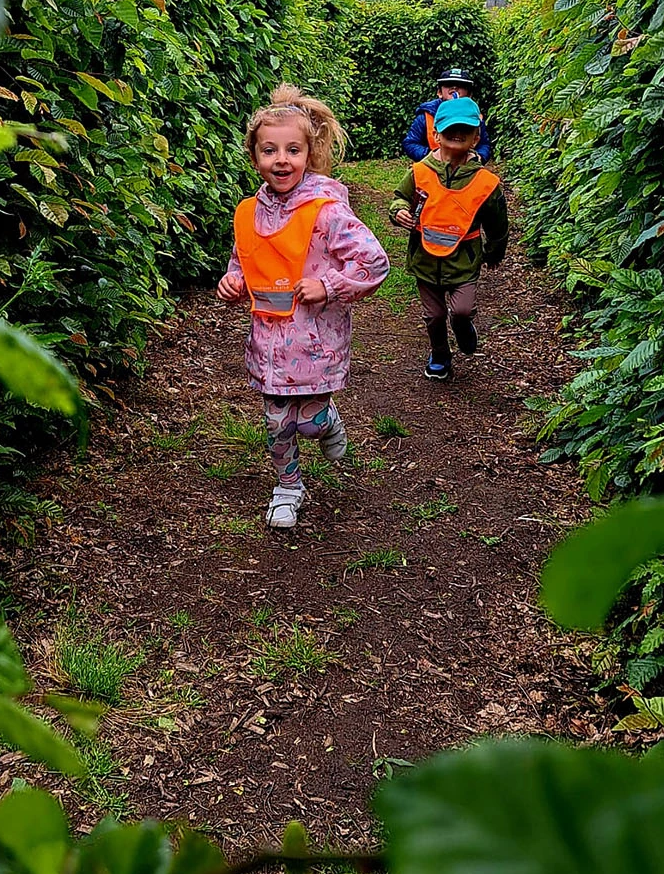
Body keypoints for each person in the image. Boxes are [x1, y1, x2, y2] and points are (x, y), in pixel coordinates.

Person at [217, 85, 390, 529]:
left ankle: (327, 423)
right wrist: (233, 281)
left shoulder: (327, 211)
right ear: (254, 155)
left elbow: (374, 262)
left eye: (292, 149)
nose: (281, 159)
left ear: (309, 153)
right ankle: (288, 486)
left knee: (308, 421)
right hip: (269, 344)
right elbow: (246, 259)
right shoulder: (249, 212)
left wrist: (329, 286)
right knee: (277, 422)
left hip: (315, 340)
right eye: (269, 149)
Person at [389, 95, 508, 382]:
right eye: (450, 129)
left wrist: (493, 252)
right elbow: (399, 199)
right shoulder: (419, 172)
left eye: (465, 130)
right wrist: (399, 212)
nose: (457, 134)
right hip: (424, 259)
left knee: (462, 310)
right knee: (434, 316)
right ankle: (440, 355)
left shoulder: (485, 183)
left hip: (464, 261)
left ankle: (464, 325)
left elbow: (498, 223)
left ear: (476, 136)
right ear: (436, 134)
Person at [402, 65, 491, 162]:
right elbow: (410, 143)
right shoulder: (427, 114)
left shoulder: (474, 116)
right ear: (439, 92)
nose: (454, 88)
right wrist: (432, 156)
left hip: (466, 168)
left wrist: (478, 158)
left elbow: (484, 144)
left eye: (461, 86)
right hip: (433, 168)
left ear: (469, 95)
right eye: (449, 85)